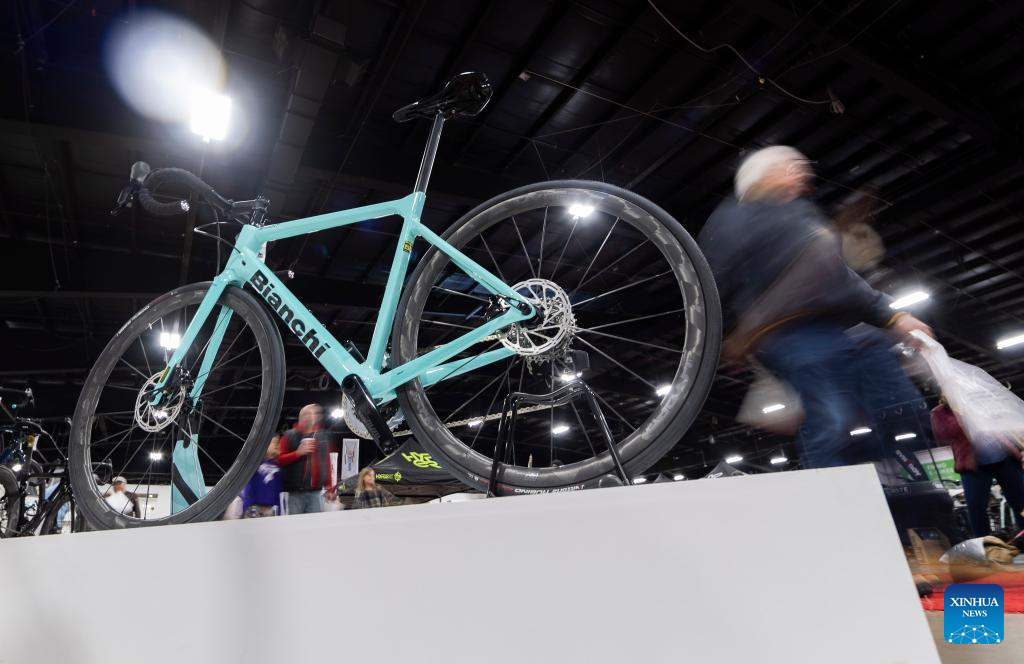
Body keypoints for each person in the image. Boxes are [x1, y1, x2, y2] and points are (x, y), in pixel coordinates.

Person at [697, 145, 932, 469]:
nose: (803, 173)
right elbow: (712, 282)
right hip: (789, 334)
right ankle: (839, 487)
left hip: (838, 330)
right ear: (760, 175)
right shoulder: (735, 220)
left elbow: (835, 274)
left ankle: (888, 480)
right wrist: (729, 335)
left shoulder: (798, 214)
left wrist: (894, 316)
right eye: (792, 166)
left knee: (904, 410)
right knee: (832, 421)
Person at [931, 395, 1024, 537]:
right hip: (973, 465)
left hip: (1004, 457)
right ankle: (985, 544)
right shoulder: (940, 412)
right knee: (976, 508)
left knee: (1021, 502)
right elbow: (943, 435)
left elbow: (1003, 424)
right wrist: (959, 412)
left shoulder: (979, 401)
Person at [278, 404, 337, 514]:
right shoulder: (289, 435)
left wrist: (330, 488)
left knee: (315, 524)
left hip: (316, 492)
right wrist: (297, 453)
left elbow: (329, 465)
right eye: (306, 414)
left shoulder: (324, 436)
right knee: (294, 523)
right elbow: (279, 460)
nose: (309, 417)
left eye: (313, 413)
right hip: (295, 492)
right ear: (300, 417)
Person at [241, 434, 283, 518]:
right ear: (263, 444)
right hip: (254, 507)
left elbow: (278, 492)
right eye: (274, 442)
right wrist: (247, 505)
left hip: (271, 509)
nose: (277, 445)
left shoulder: (277, 467)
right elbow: (248, 485)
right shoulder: (254, 464)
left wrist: (279, 511)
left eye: (278, 443)